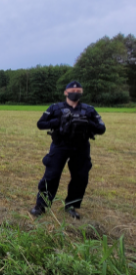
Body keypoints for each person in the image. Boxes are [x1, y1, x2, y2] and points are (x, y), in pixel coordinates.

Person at [30, 81, 106, 219]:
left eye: (78, 91)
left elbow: (101, 128)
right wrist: (59, 121)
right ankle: (41, 206)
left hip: (81, 147)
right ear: (66, 92)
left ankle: (71, 206)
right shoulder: (55, 108)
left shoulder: (89, 110)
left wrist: (87, 123)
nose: (75, 93)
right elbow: (41, 124)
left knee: (80, 178)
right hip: (60, 145)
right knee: (51, 176)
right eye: (72, 91)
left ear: (81, 93)